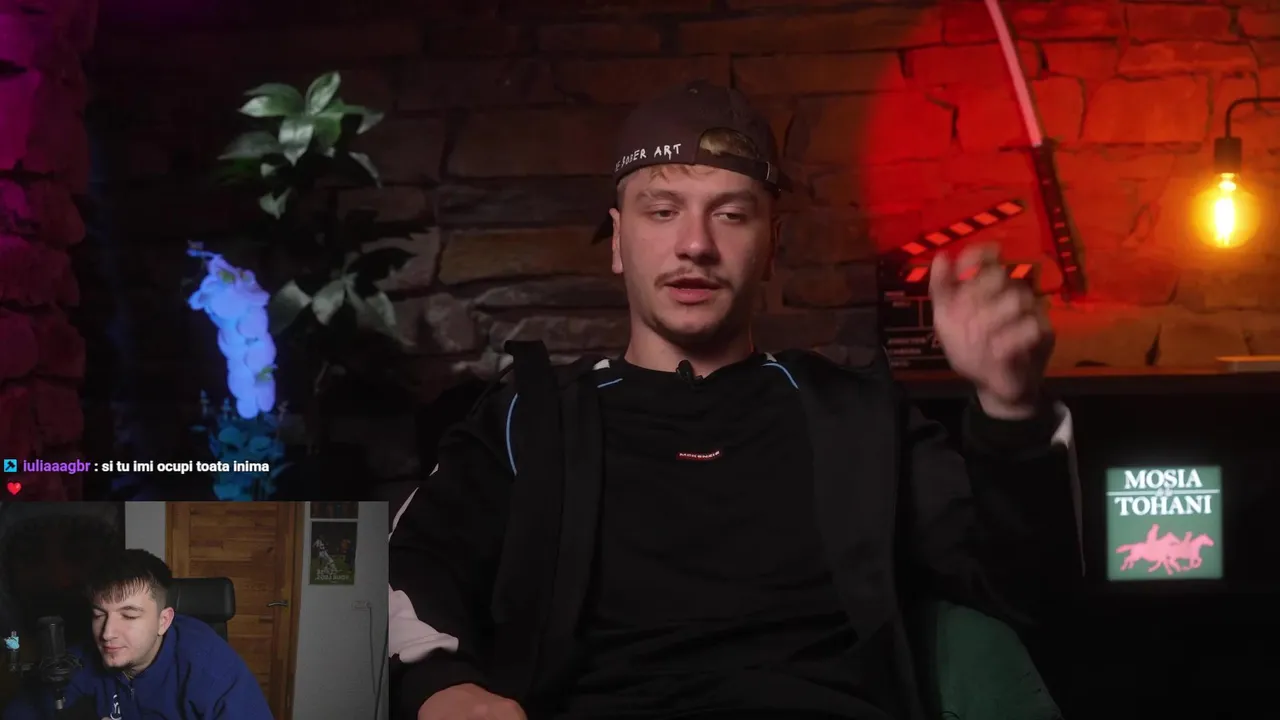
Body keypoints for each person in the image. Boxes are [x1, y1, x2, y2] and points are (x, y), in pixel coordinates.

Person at [388, 80, 1082, 720]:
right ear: (619, 241)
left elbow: (1019, 592)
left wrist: (1010, 409)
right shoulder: (531, 422)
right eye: (663, 211)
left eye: (731, 214)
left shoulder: (857, 419)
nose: (695, 244)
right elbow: (407, 563)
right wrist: (441, 684)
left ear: (772, 245)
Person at [2, 549, 273, 720]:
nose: (107, 633)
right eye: (99, 615)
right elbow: (24, 709)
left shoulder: (211, 666)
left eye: (129, 615)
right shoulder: (82, 657)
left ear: (163, 621)